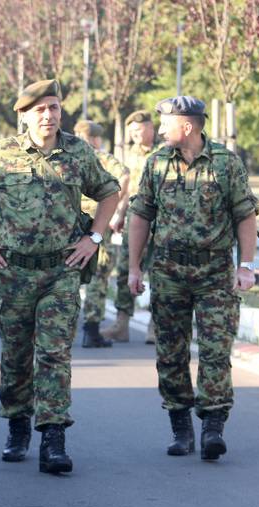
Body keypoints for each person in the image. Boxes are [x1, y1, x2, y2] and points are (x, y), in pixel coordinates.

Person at [0, 79, 120, 474]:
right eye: (40, 110)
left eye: (55, 108)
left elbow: (109, 192)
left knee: (55, 354)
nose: (49, 116)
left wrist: (93, 238)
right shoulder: (2, 154)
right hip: (13, 272)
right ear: (24, 116)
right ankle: (17, 423)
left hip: (61, 270)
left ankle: (53, 438)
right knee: (16, 354)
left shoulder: (77, 152)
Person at [127, 95, 258, 462]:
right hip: (168, 271)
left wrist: (245, 266)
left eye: (165, 122)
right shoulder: (155, 164)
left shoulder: (225, 163)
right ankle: (180, 426)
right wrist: (134, 268)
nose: (160, 128)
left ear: (186, 127)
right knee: (171, 352)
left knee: (216, 350)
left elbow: (245, 215)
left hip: (215, 270)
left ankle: (213, 425)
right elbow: (140, 216)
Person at [101, 110, 159, 344]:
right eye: (131, 132)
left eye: (139, 130)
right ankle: (121, 324)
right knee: (126, 270)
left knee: (158, 274)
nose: (135, 135)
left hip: (159, 222)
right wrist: (119, 215)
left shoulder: (165, 152)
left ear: (150, 128)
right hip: (135, 220)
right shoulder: (130, 155)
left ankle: (155, 327)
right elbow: (126, 191)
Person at [73, 120, 129, 348]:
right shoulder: (102, 157)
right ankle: (91, 329)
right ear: (96, 139)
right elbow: (124, 176)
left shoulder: (69, 154)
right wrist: (114, 205)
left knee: (68, 271)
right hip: (98, 221)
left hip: (71, 220)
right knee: (97, 273)